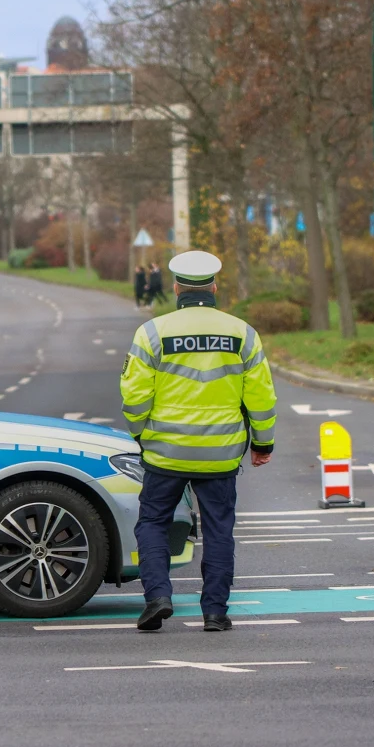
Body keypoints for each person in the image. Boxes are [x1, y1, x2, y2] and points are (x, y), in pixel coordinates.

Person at [120, 250, 277, 633]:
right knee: (219, 529)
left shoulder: (151, 333)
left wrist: (141, 434)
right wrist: (263, 444)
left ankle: (158, 597)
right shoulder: (243, 334)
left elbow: (134, 397)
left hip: (165, 453)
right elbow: (262, 397)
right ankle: (215, 613)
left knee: (153, 522)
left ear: (176, 288)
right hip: (220, 455)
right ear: (214, 287)